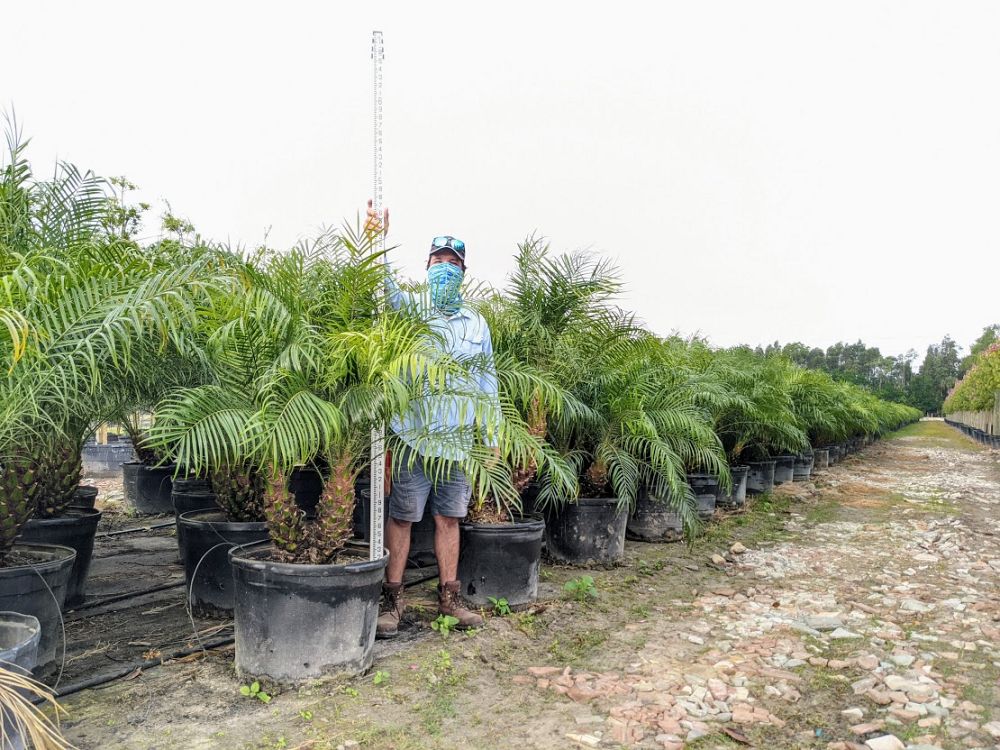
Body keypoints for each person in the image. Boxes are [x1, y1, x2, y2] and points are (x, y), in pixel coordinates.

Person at [364, 201, 499, 638]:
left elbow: (487, 381)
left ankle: (449, 596)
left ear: (464, 271)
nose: (445, 268)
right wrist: (375, 239)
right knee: (401, 518)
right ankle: (392, 597)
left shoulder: (476, 323)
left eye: (452, 263)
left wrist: (492, 435)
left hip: (457, 443)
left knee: (449, 519)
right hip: (412, 437)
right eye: (438, 261)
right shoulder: (411, 309)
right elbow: (378, 286)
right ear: (426, 266)